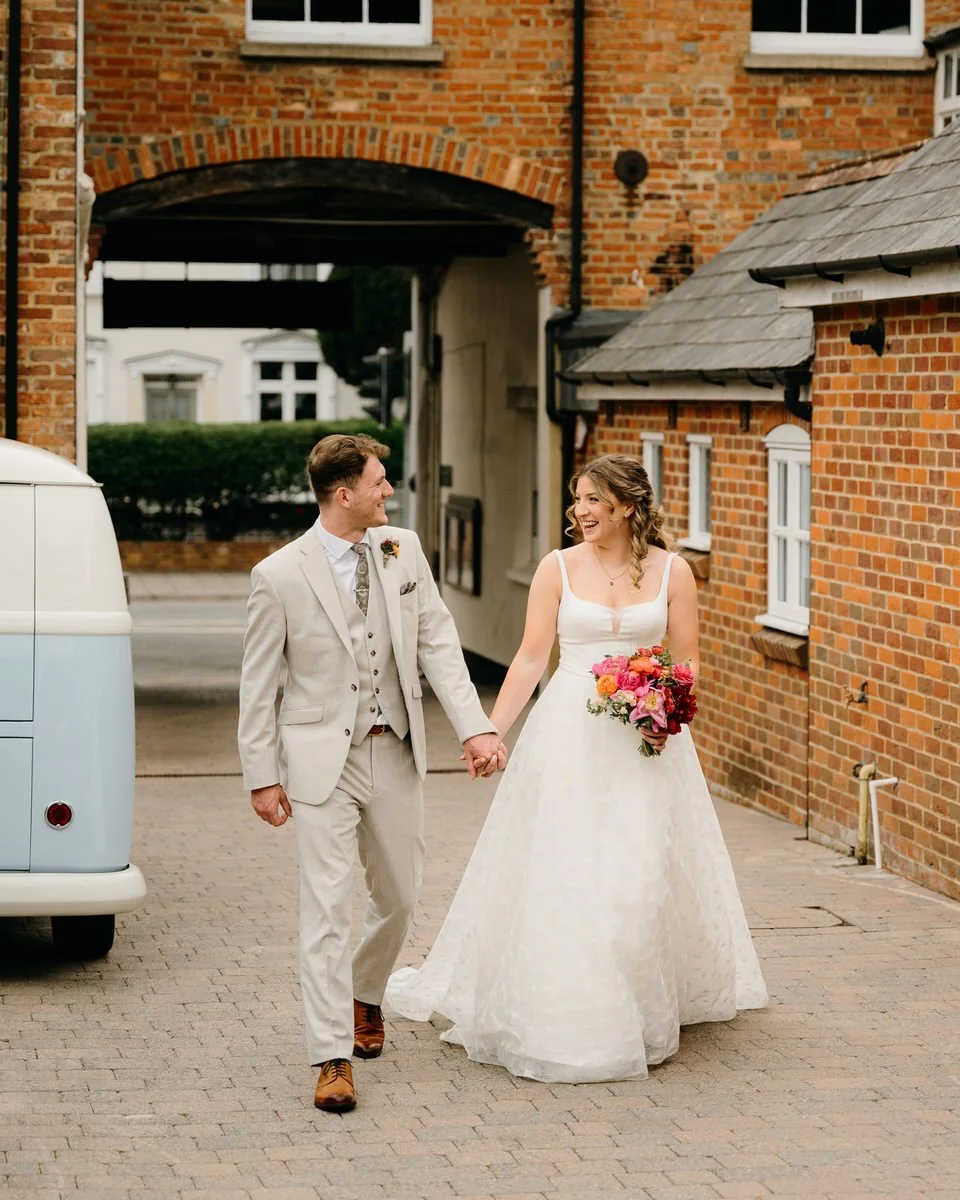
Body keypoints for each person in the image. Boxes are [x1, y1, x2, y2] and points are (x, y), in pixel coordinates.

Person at [386, 453, 767, 1083]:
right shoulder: (555, 569)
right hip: (569, 734)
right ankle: (573, 1009)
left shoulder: (676, 572)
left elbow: (689, 660)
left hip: (645, 741)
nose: (580, 511)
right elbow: (533, 658)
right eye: (576, 500)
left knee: (640, 868)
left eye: (593, 500)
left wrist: (664, 699)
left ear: (628, 505)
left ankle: (641, 1001)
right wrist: (489, 732)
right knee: (566, 865)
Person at [238, 433, 506, 1113]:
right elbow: (259, 684)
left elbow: (439, 640)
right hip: (319, 761)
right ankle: (330, 1054)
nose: (389, 491)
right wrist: (260, 774)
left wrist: (475, 726)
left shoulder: (401, 549)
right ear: (343, 493)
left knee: (403, 894)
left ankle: (366, 991)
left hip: (395, 748)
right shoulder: (278, 574)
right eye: (379, 481)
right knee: (327, 907)